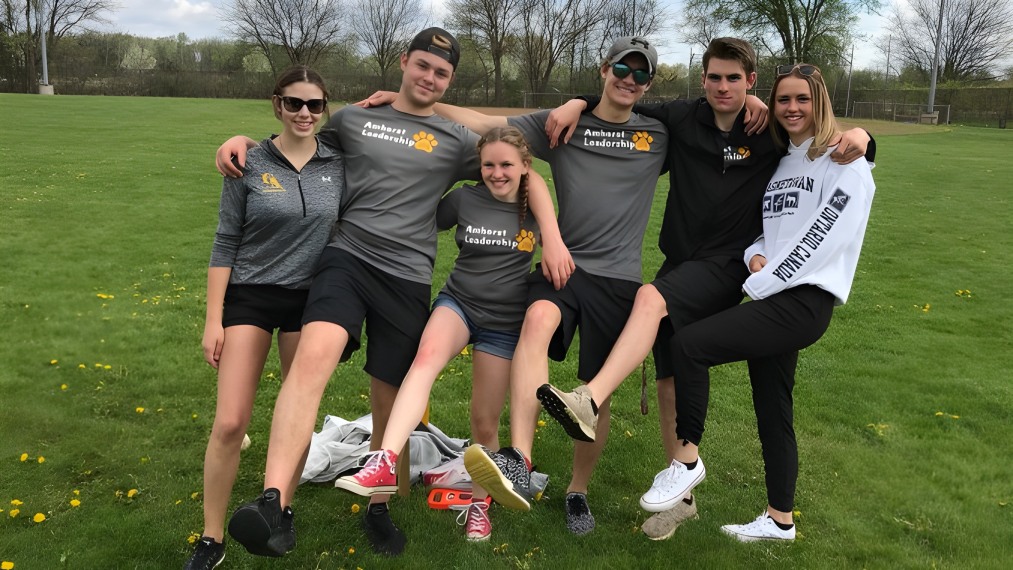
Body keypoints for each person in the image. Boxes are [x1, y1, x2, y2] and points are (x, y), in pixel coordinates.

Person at [213, 28, 569, 558]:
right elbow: (297, 141)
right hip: (347, 258)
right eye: (422, 65)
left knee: (390, 393)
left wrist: (553, 236)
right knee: (314, 357)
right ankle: (274, 503)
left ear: (449, 81)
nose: (428, 77)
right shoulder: (354, 120)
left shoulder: (455, 141)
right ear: (402, 62)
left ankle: (378, 505)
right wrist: (242, 142)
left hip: (407, 275)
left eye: (441, 72)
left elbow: (524, 167)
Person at [521, 37, 876, 541]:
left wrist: (863, 135)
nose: (723, 86)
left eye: (735, 79)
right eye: (714, 77)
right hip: (680, 263)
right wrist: (577, 101)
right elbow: (621, 96)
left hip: (728, 267)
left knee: (652, 304)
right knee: (671, 377)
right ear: (702, 79)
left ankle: (592, 400)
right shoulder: (681, 117)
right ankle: (682, 499)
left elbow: (829, 138)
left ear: (751, 83)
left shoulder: (769, 132)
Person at [637, 62, 875, 541]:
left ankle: (686, 462)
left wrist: (767, 282)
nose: (791, 108)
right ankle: (779, 520)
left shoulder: (844, 159)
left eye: (802, 99)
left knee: (690, 345)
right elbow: (767, 231)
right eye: (783, 99)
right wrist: (756, 258)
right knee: (772, 406)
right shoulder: (783, 159)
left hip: (802, 300)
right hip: (775, 290)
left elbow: (828, 233)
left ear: (820, 101)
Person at [333, 126, 540, 543]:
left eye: (506, 165)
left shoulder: (536, 206)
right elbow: (416, 213)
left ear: (524, 169)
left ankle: (480, 506)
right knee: (423, 362)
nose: (496, 173)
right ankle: (384, 459)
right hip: (458, 303)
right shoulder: (465, 198)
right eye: (488, 165)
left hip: (504, 323)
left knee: (484, 421)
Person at [185, 66, 343, 570]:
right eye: (294, 103)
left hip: (310, 301)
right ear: (276, 104)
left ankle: (282, 509)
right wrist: (214, 319)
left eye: (314, 105)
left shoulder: (338, 162)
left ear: (325, 110)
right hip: (250, 296)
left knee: (298, 416)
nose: (304, 113)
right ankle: (211, 538)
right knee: (231, 422)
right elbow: (225, 240)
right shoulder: (247, 162)